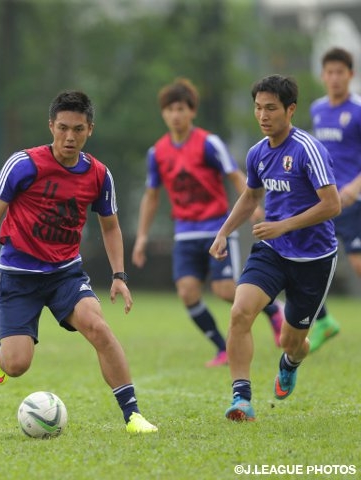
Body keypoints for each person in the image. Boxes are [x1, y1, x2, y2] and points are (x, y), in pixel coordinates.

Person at [0, 90, 158, 434]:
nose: (69, 136)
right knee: (17, 365)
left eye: (78, 129)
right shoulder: (23, 164)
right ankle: (3, 351)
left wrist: (119, 275)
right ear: (51, 125)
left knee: (99, 328)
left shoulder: (98, 175)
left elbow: (110, 227)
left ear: (89, 129)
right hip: (19, 275)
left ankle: (133, 416)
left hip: (65, 273)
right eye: (62, 127)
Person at [209, 74, 340, 421]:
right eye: (258, 108)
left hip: (314, 258)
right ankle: (241, 398)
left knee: (291, 342)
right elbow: (251, 196)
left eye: (271, 108)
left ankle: (291, 362)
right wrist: (224, 232)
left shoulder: (307, 149)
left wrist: (283, 224)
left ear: (290, 109)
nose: (263, 115)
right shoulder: (257, 153)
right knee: (240, 312)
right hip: (272, 251)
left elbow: (332, 205)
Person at [132, 78, 284, 368]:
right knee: (187, 293)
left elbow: (235, 174)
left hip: (217, 228)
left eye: (181, 108)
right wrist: (141, 236)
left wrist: (252, 207)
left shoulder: (208, 143)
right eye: (170, 109)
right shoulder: (158, 152)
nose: (175, 115)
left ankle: (274, 310)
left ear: (192, 112)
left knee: (227, 291)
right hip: (185, 233)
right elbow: (151, 197)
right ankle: (222, 347)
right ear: (163, 114)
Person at [309, 46, 361, 352]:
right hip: (325, 202)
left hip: (354, 203)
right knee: (306, 262)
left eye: (340, 72)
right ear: (322, 75)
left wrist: (355, 186)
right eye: (329, 72)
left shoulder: (358, 110)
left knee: (357, 265)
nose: (334, 78)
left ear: (350, 75)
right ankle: (324, 321)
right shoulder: (317, 109)